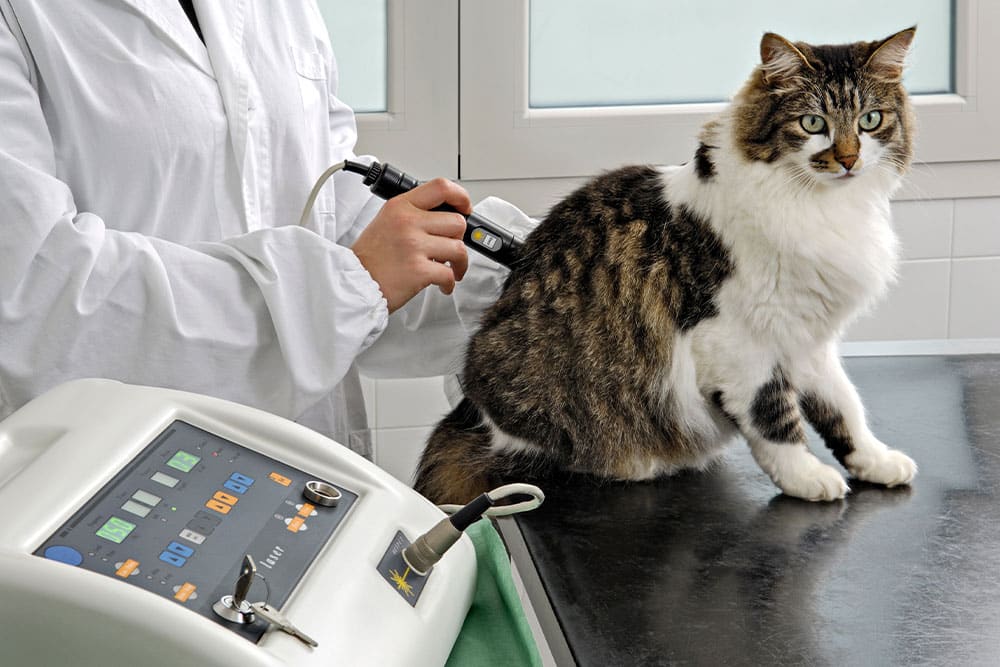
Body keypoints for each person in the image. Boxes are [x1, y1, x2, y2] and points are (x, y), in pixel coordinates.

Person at [0, 2, 532, 458]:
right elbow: (34, 296)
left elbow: (315, 202)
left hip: (310, 464)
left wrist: (515, 273)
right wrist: (349, 285)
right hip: (108, 475)